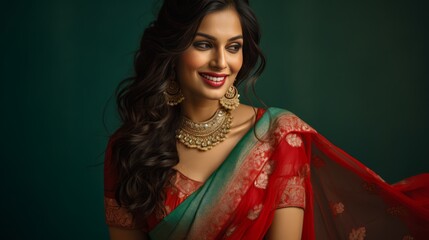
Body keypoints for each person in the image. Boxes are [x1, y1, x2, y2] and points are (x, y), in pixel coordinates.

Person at [103, 0, 429, 239]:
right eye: (203, 44)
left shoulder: (279, 136)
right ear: (172, 50)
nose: (221, 62)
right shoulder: (130, 148)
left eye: (234, 47)